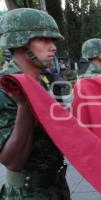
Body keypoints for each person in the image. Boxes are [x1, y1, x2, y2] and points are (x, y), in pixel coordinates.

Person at [0, 8, 70, 199]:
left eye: (53, 40)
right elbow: (12, 160)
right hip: (27, 193)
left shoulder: (46, 80)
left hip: (56, 187)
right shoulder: (4, 87)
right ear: (19, 42)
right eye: (43, 39)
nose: (53, 47)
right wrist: (25, 105)